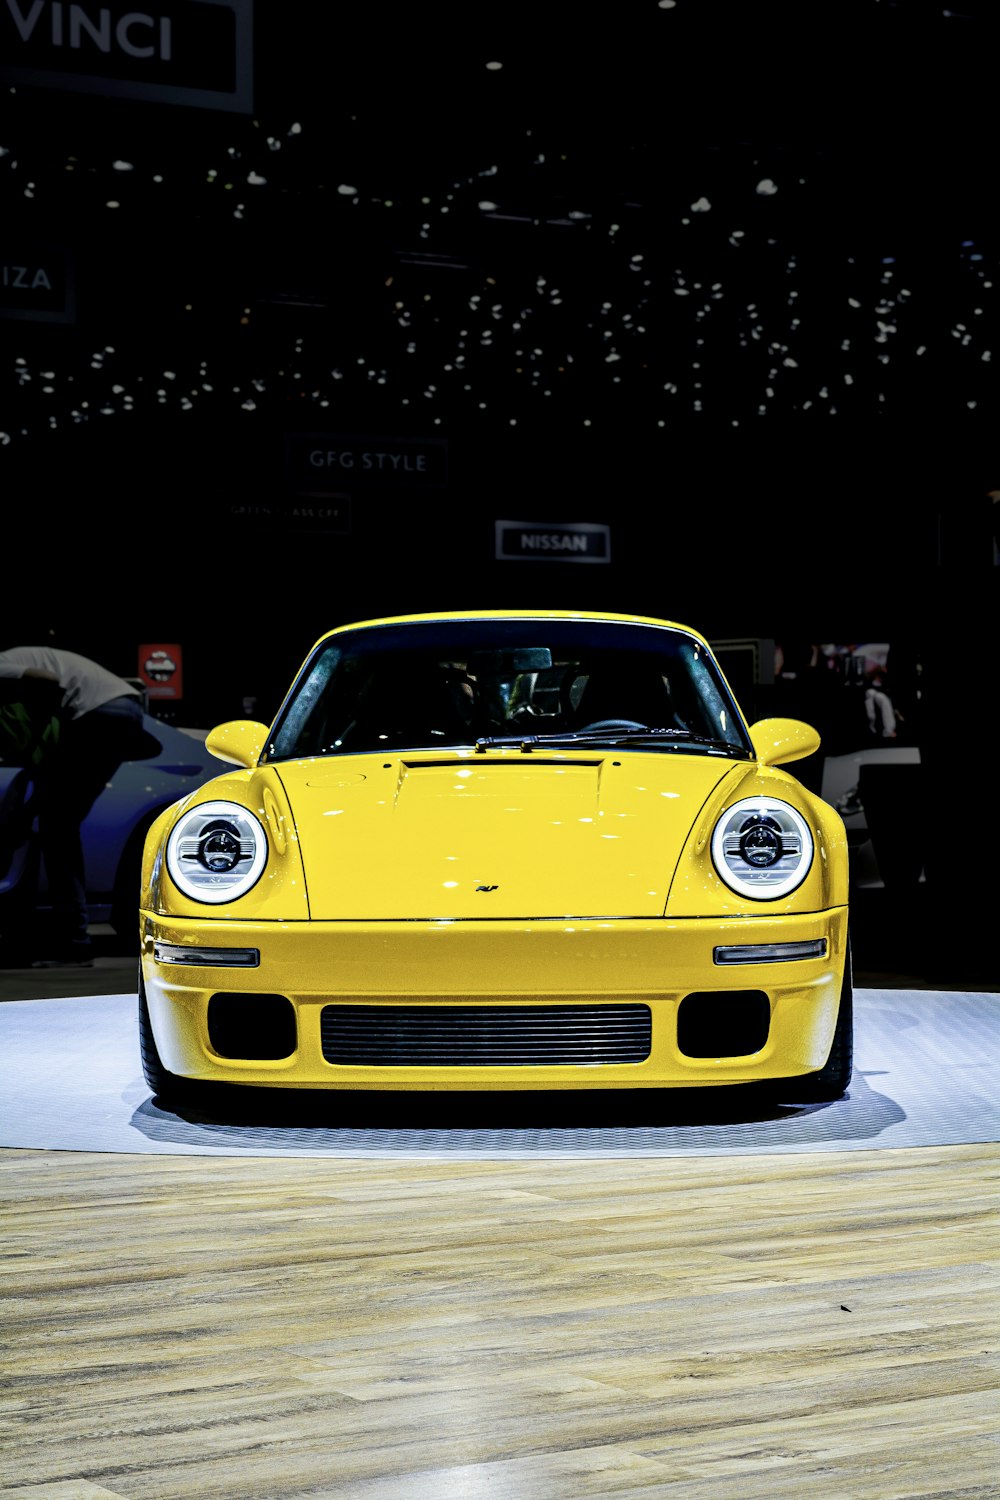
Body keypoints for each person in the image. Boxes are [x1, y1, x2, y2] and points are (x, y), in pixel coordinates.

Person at [0, 646, 160, 967]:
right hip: (120, 707)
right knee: (58, 823)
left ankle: (74, 944)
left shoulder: (2, 665)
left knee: (56, 827)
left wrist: (34, 742)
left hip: (98, 712)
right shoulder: (18, 658)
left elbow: (47, 679)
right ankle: (73, 939)